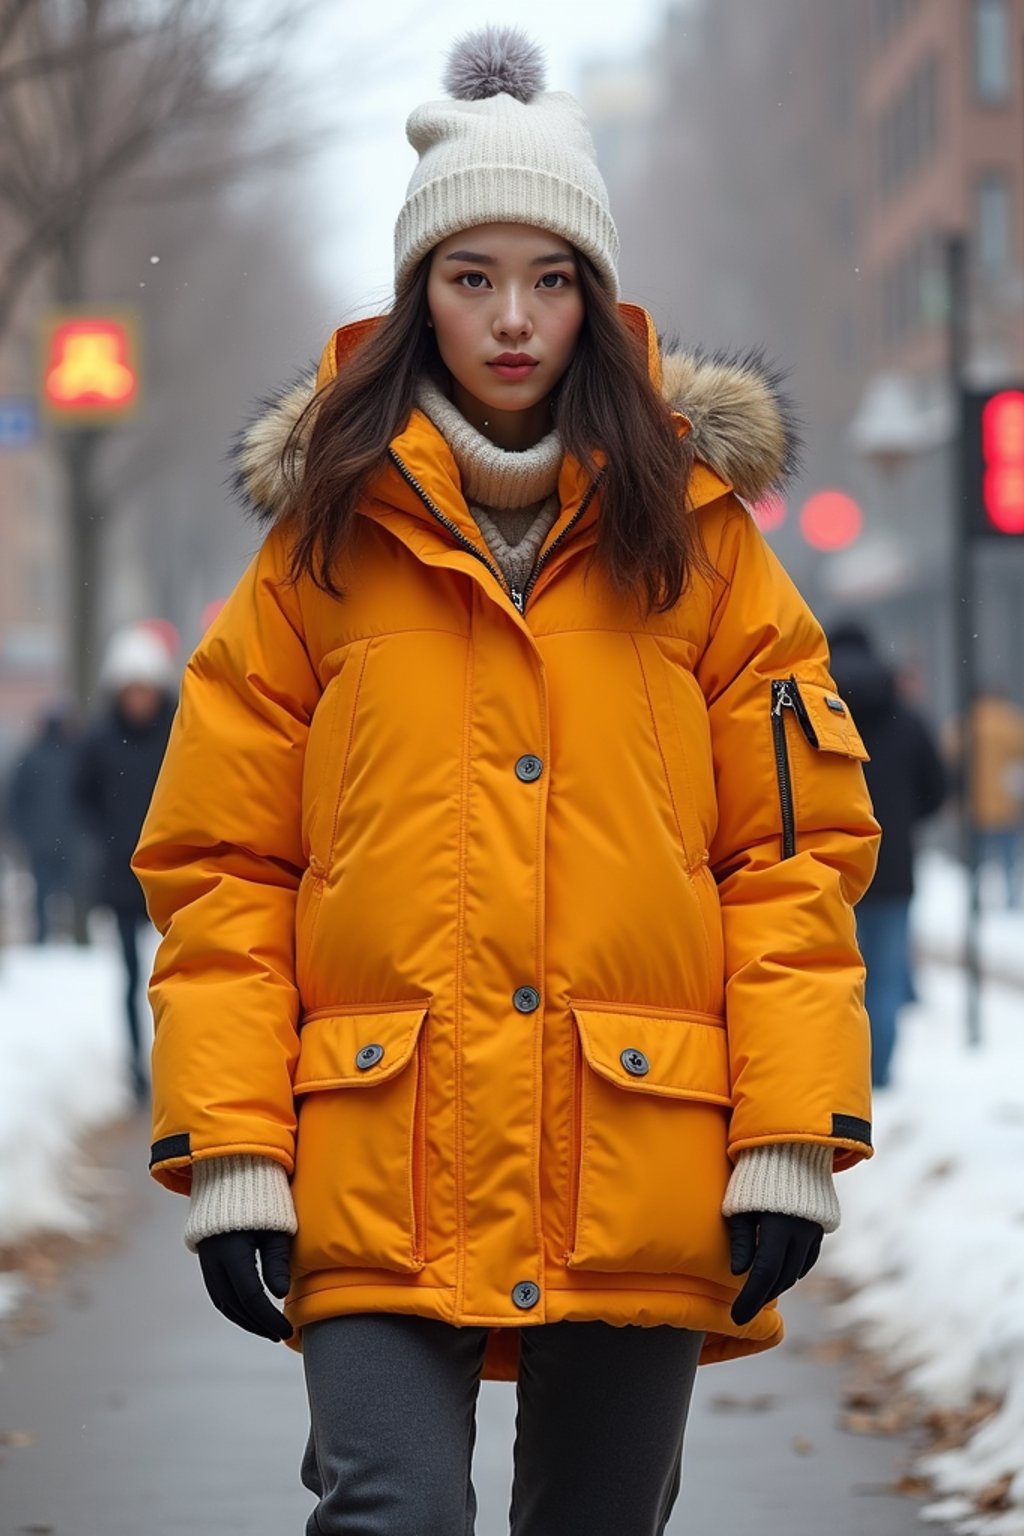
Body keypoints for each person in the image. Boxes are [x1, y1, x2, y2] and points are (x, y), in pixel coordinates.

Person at [133, 28, 879, 1535]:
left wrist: (788, 1135)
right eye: (472, 278)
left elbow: (790, 860)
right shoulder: (320, 554)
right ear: (419, 297)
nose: (514, 318)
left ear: (596, 299)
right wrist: (231, 1146)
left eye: (550, 278)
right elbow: (225, 865)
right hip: (378, 1147)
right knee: (388, 1514)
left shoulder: (708, 548)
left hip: (638, 1144)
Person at [827, 622, 947, 1088]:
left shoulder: (815, 710)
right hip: (893, 867)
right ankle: (879, 1073)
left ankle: (845, 1070)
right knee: (888, 974)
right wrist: (897, 823)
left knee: (837, 974)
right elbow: (936, 790)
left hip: (831, 865)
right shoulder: (906, 717)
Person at [75, 625, 176, 1103]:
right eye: (131, 690)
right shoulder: (100, 740)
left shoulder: (180, 729)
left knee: (180, 973)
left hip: (174, 871)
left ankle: (178, 1060)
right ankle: (137, 1066)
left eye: (145, 689)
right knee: (130, 977)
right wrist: (109, 838)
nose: (139, 700)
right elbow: (82, 797)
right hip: (121, 875)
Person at [6, 702, 80, 943]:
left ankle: (49, 936)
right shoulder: (73, 756)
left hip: (52, 838)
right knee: (61, 890)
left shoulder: (35, 756)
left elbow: (13, 799)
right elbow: (15, 799)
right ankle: (55, 936)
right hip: (57, 838)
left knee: (50, 890)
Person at [944, 688, 1024, 908]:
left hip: (975, 804)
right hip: (1005, 803)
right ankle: (1010, 900)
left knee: (976, 857)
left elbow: (947, 750)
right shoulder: (1010, 721)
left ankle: (975, 898)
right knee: (1007, 856)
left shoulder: (966, 722)